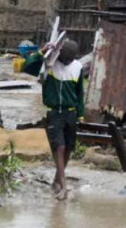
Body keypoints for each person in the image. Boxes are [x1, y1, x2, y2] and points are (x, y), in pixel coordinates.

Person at [23, 40, 84, 200]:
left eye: (69, 59)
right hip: (54, 113)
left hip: (71, 114)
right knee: (59, 147)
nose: (66, 62)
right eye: (64, 58)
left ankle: (57, 181)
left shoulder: (77, 67)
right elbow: (28, 67)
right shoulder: (49, 64)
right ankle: (64, 187)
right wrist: (41, 52)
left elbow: (80, 94)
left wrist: (80, 115)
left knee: (69, 148)